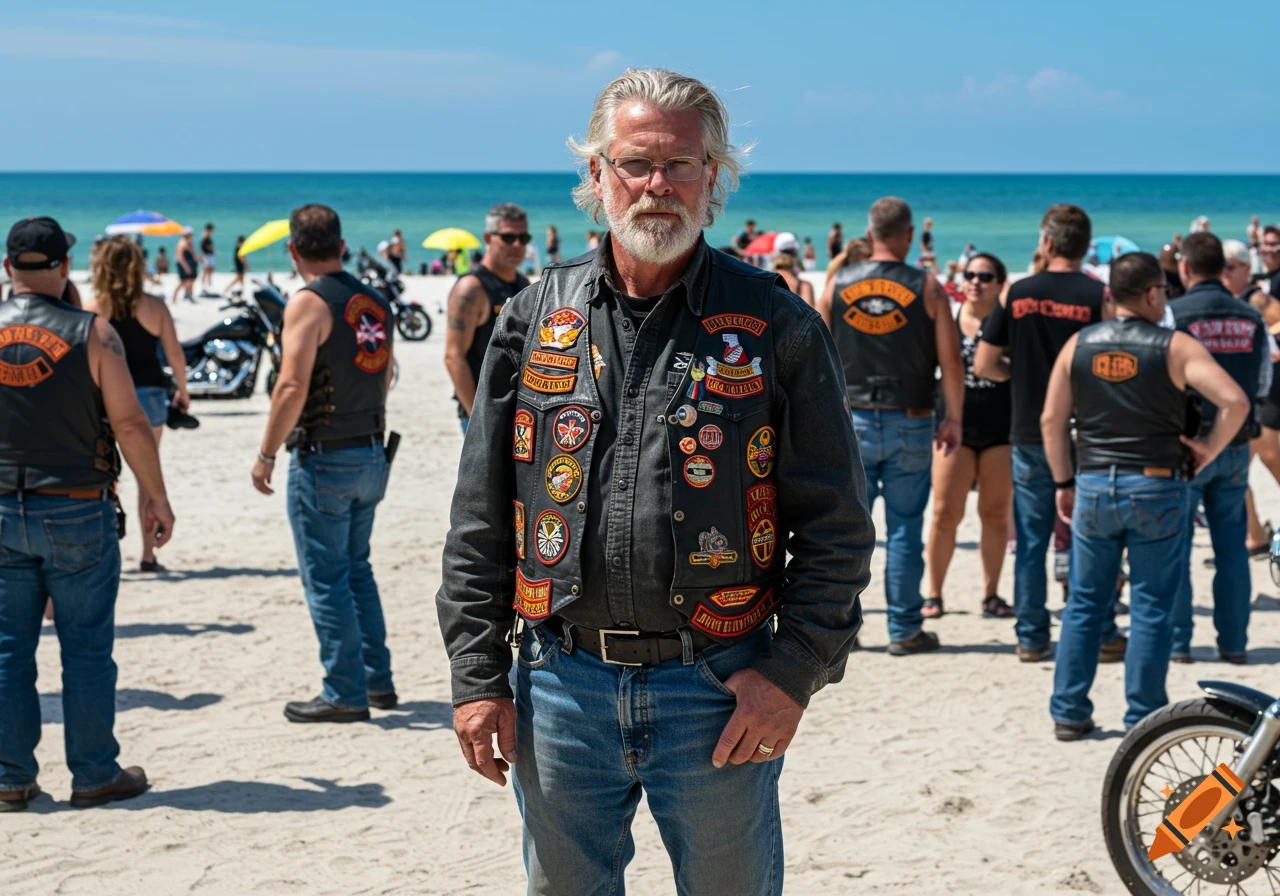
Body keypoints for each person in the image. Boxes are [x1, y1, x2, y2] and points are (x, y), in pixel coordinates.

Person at [437, 68, 872, 895]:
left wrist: (792, 675)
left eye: (681, 164)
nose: (657, 185)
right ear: (597, 174)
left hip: (718, 689)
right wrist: (477, 676)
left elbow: (837, 528)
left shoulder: (776, 323)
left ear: (715, 177)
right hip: (560, 686)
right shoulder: (535, 316)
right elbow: (481, 518)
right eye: (636, 163)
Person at [0, 216, 175, 810]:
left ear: (8, 267)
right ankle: (95, 773)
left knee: (8, 649)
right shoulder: (92, 332)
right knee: (86, 650)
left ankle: (10, 776)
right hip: (76, 506)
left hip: (2, 507)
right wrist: (156, 496)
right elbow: (129, 423)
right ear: (64, 266)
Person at [1043, 251, 1249, 739]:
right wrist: (1207, 449)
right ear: (1154, 293)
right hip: (1156, 484)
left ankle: (1069, 711)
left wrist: (1063, 482)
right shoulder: (1175, 347)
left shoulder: (1079, 345)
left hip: (1094, 482)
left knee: (1085, 603)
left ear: (1111, 294)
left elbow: (1051, 420)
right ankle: (1142, 718)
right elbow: (1236, 401)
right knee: (1151, 605)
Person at [250, 204, 397, 724]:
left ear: (293, 250)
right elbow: (386, 374)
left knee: (326, 578)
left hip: (325, 455)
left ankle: (344, 691)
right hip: (371, 448)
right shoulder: (375, 301)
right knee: (357, 569)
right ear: (341, 246)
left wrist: (266, 453)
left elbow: (291, 386)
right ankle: (377, 681)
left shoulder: (308, 303)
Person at [816, 196, 963, 654]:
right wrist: (954, 417)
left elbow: (816, 358)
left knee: (845, 534)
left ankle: (843, 629)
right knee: (904, 531)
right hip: (911, 421)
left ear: (870, 233)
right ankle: (903, 630)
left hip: (852, 420)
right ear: (909, 235)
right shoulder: (928, 287)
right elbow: (951, 361)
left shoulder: (837, 284)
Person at [974, 204, 1111, 663]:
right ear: (1085, 246)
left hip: (1030, 429)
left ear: (1047, 243)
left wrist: (1022, 374)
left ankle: (1032, 636)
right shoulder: (1098, 296)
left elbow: (984, 364)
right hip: (1086, 431)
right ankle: (1100, 630)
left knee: (1032, 540)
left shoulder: (1018, 293)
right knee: (1091, 537)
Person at [1166, 233, 1270, 665]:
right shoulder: (1250, 315)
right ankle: (1234, 642)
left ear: (1185, 267)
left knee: (1177, 546)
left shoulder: (1174, 313)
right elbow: (1261, 383)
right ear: (1224, 268)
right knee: (1231, 548)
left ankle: (1179, 642)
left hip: (1188, 443)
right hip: (1235, 441)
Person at [83, 236, 190, 573]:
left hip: (103, 400)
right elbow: (174, 353)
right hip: (148, 395)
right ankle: (148, 555)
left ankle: (105, 551)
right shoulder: (155, 306)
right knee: (147, 476)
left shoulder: (92, 309)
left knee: (106, 476)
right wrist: (183, 390)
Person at [923, 253, 1015, 619]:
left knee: (995, 514)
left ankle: (991, 594)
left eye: (986, 276)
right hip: (952, 428)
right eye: (970, 275)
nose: (976, 281)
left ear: (1000, 283)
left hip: (1001, 428)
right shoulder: (948, 317)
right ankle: (934, 595)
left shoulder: (1009, 323)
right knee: (944, 513)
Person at [443, 203, 531, 435]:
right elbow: (453, 356)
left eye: (523, 238)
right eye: (508, 237)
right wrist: (479, 419)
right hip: (484, 415)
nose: (517, 245)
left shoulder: (523, 284)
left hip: (521, 414)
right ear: (488, 238)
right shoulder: (471, 288)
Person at [171, 227, 198, 304]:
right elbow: (180, 257)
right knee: (183, 281)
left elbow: (193, 254)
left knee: (191, 280)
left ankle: (190, 296)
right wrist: (186, 267)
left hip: (190, 264)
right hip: (184, 264)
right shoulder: (182, 243)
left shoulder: (189, 243)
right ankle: (174, 297)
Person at [199, 223, 215, 293]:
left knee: (210, 269)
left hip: (208, 254)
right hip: (206, 255)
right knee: (205, 270)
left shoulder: (207, 236)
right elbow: (204, 246)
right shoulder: (205, 236)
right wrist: (212, 248)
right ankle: (204, 286)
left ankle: (208, 282)